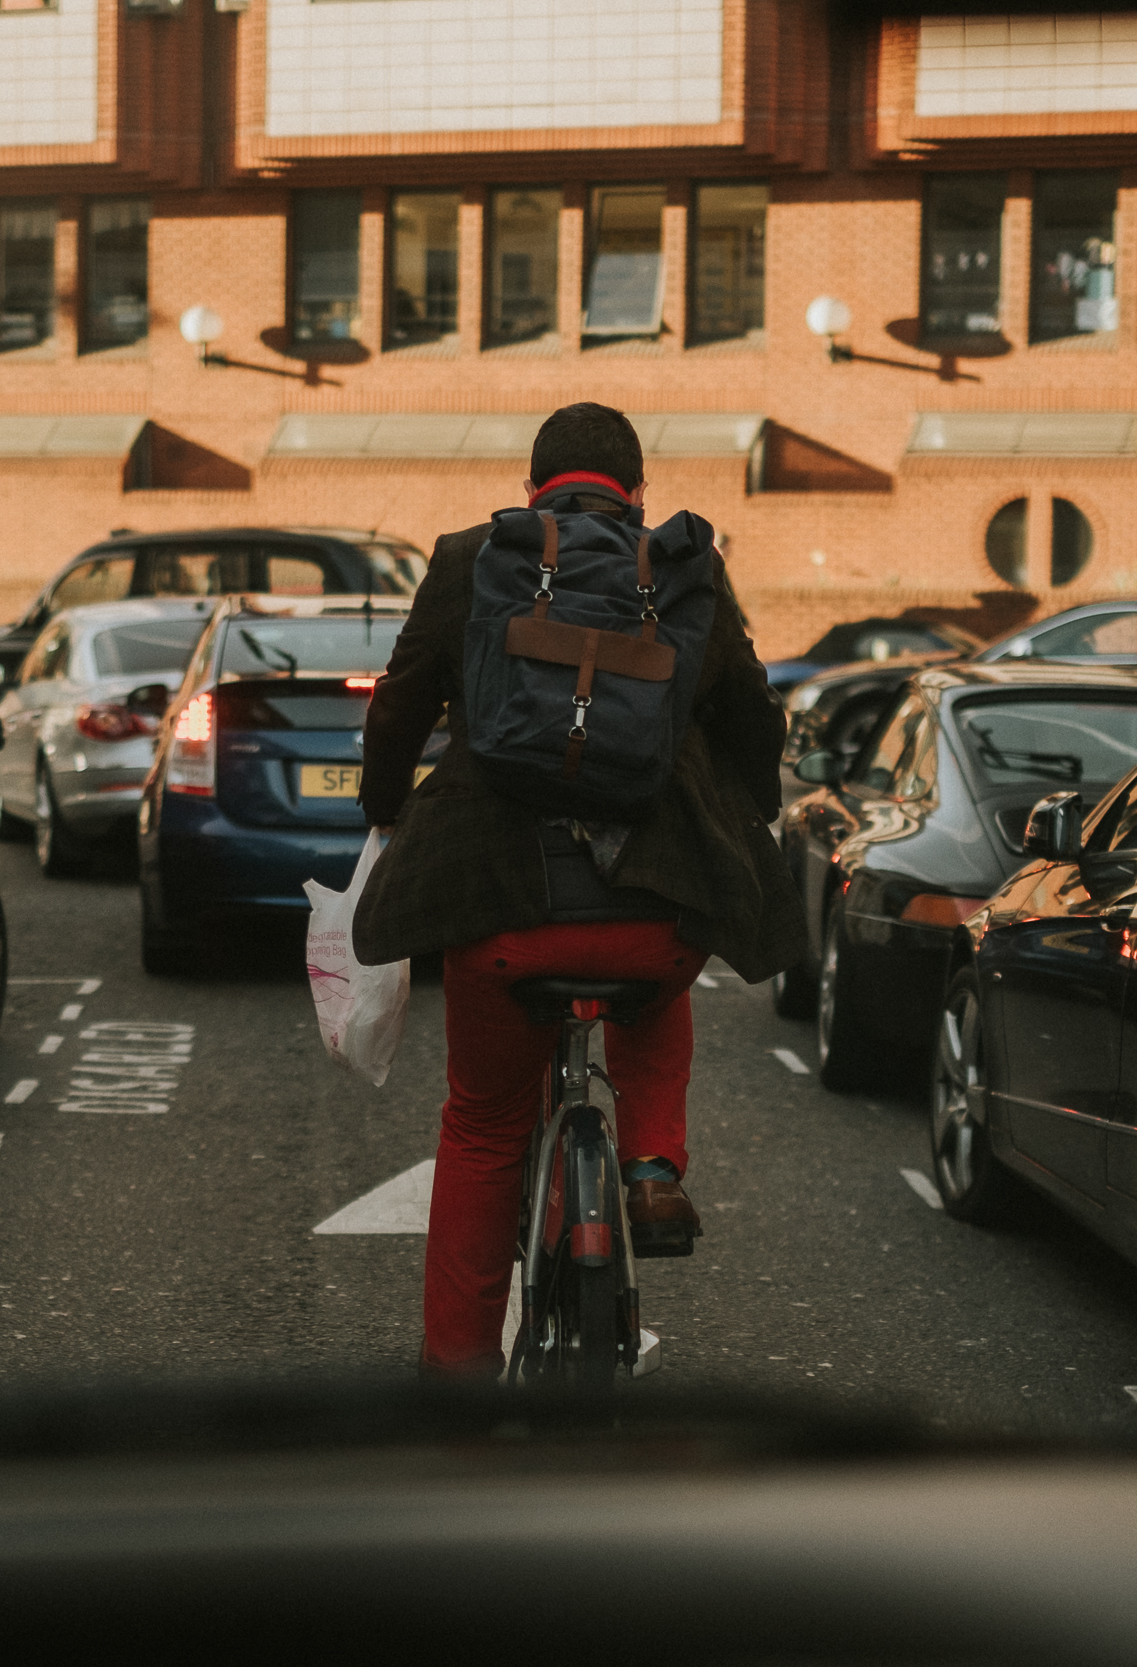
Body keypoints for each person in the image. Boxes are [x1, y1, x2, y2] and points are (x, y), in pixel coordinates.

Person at [351, 401, 801, 1378]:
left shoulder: (474, 558)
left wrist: (382, 811)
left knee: (481, 1122)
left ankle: (458, 1370)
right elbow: (751, 720)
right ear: (636, 494)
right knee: (656, 993)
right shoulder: (685, 568)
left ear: (531, 492)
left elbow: (399, 704)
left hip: (497, 906)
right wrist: (748, 807)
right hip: (653, 914)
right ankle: (648, 1167)